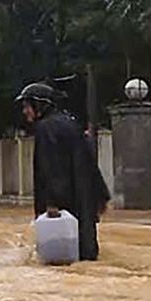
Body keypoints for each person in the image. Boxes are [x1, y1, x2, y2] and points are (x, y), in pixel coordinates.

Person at [19, 81, 109, 261]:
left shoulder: (46, 128)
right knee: (86, 253)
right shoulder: (70, 124)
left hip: (64, 204)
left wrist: (52, 203)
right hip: (84, 201)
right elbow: (90, 163)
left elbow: (51, 168)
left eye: (27, 106)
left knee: (62, 261)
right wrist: (101, 196)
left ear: (40, 105)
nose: (25, 112)